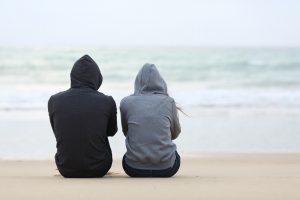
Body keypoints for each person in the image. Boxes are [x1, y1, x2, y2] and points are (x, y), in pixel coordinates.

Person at [48, 55, 117, 178]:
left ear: (73, 77)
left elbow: (58, 131)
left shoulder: (54, 101)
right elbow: (112, 131)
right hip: (100, 167)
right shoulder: (107, 101)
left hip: (65, 167)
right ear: (97, 77)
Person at [120, 63, 181, 177]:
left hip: (134, 169)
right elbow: (175, 133)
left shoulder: (126, 102)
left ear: (137, 82)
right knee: (175, 154)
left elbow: (127, 132)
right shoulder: (169, 102)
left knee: (127, 157)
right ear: (160, 82)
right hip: (167, 169)